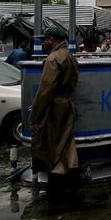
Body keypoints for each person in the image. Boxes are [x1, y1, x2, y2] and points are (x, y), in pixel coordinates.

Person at [29, 26, 79, 203]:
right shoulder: (70, 56)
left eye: (46, 39)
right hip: (67, 105)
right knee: (66, 144)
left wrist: (35, 117)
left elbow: (44, 91)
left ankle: (56, 189)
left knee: (53, 147)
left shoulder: (52, 59)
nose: (43, 43)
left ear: (52, 40)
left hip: (55, 108)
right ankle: (72, 181)